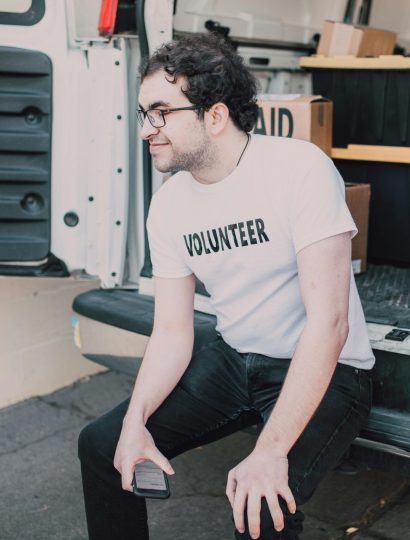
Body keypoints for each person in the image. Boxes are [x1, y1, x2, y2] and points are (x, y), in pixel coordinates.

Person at [78, 33, 374, 540]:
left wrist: (269, 451)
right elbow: (173, 332)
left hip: (328, 366)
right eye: (145, 114)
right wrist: (136, 419)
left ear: (214, 116)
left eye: (160, 112)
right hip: (235, 357)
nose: (147, 130)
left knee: (262, 502)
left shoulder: (299, 169)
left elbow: (329, 323)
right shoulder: (169, 205)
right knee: (103, 445)